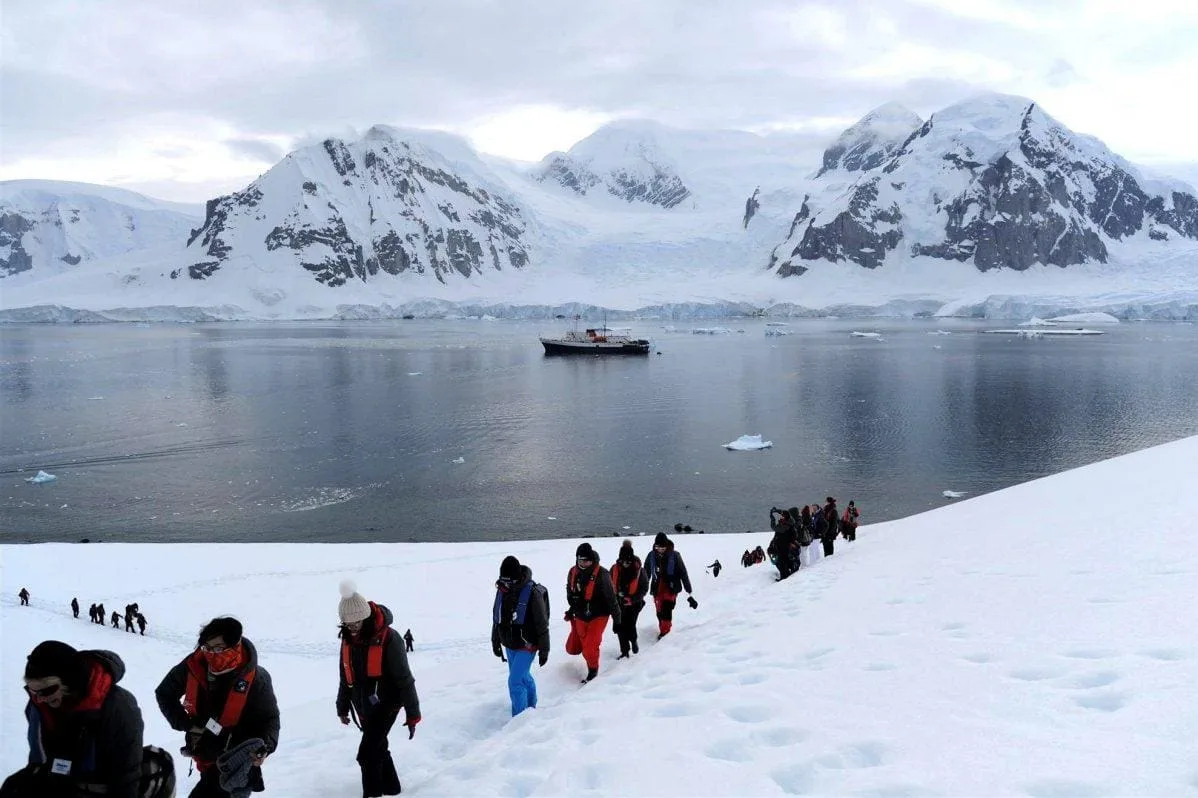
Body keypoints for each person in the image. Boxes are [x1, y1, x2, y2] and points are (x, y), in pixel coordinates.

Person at [1, 641, 144, 798]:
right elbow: (39, 757)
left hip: (98, 788)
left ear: (70, 680)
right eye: (32, 691)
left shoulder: (118, 706)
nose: (39, 699)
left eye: (47, 690)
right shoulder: (40, 705)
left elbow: (127, 776)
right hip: (58, 780)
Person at [155, 616, 279, 797]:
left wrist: (265, 747)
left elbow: (269, 719)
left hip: (237, 763)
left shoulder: (257, 679)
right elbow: (165, 693)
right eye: (207, 648)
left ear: (235, 646)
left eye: (219, 648)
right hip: (204, 756)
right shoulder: (194, 666)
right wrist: (186, 723)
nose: (212, 654)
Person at [336, 582, 420, 798]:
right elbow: (345, 676)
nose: (353, 627)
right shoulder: (347, 638)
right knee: (378, 747)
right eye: (348, 623)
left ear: (366, 616)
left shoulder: (390, 638)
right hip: (363, 706)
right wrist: (342, 706)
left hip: (387, 705)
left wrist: (413, 714)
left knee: (367, 755)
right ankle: (393, 789)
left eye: (357, 623)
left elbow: (405, 679)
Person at [491, 556, 550, 716]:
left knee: (515, 681)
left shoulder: (532, 593)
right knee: (522, 677)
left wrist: (544, 649)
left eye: (509, 582)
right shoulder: (502, 589)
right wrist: (495, 640)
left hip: (528, 645)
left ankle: (519, 719)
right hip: (509, 643)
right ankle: (531, 709)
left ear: (517, 578)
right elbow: (497, 617)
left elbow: (542, 623)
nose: (505, 585)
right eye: (503, 581)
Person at [564, 542, 620, 683]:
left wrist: (617, 620)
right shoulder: (572, 572)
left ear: (593, 560)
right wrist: (572, 606)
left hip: (599, 614)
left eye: (588, 561)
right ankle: (591, 665)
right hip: (580, 614)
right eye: (581, 560)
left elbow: (611, 599)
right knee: (584, 647)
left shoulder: (602, 574)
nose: (584, 563)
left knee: (590, 646)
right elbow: (569, 592)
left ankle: (593, 672)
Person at [645, 532, 696, 640]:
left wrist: (689, 591)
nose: (661, 549)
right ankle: (662, 628)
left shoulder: (675, 555)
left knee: (667, 609)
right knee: (659, 611)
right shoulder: (651, 556)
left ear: (667, 545)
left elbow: (683, 573)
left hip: (671, 587)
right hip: (657, 587)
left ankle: (665, 633)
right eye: (658, 547)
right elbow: (646, 574)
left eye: (663, 547)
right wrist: (641, 591)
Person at [609, 540, 648, 659]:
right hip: (619, 603)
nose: (625, 563)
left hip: (634, 604)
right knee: (620, 628)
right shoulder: (614, 569)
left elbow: (644, 588)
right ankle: (624, 651)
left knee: (630, 626)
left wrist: (633, 599)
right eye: (623, 561)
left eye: (628, 561)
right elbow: (609, 586)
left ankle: (634, 641)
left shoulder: (640, 571)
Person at [769, 507, 799, 580]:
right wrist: (776, 510)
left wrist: (772, 519)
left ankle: (784, 576)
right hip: (783, 544)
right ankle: (789, 572)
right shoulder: (790, 520)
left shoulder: (786, 525)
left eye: (782, 516)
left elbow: (774, 527)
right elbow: (785, 513)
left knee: (782, 561)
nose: (781, 516)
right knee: (785, 560)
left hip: (783, 545)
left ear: (785, 517)